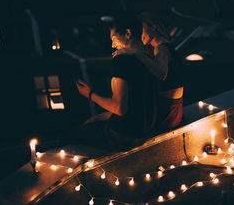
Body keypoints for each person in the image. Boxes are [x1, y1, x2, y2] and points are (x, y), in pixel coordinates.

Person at [75, 15, 157, 150]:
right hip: (145, 131)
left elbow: (119, 108)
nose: (113, 45)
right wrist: (100, 117)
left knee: (71, 136)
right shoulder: (150, 58)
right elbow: (137, 104)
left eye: (113, 38)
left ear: (127, 33)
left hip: (123, 136)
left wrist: (90, 94)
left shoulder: (122, 60)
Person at [113, 12, 183, 131]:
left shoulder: (162, 48)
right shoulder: (161, 48)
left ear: (153, 27)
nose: (140, 34)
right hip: (173, 112)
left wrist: (135, 52)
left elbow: (162, 74)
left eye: (142, 29)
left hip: (166, 114)